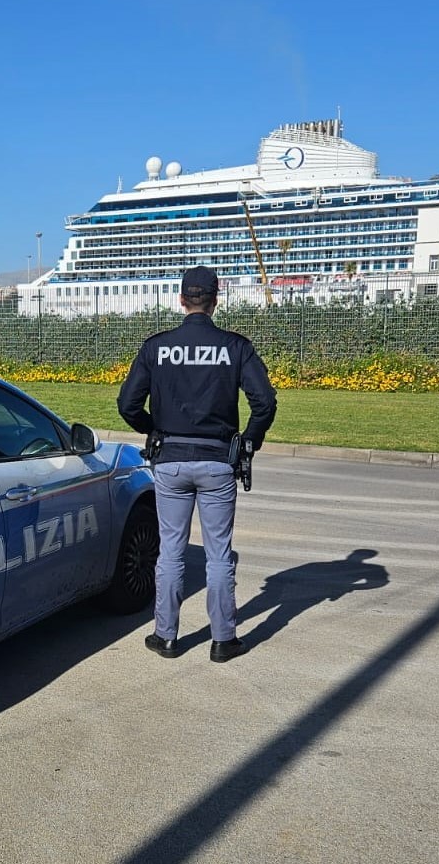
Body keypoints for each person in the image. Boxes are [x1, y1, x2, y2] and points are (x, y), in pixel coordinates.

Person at [117, 266, 277, 662]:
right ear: (215, 301)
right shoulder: (235, 347)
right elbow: (265, 403)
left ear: (182, 300)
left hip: (170, 459)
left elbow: (127, 405)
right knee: (219, 553)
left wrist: (153, 429)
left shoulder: (156, 346)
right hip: (218, 461)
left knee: (170, 551)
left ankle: (165, 636)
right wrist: (248, 444)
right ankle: (223, 640)